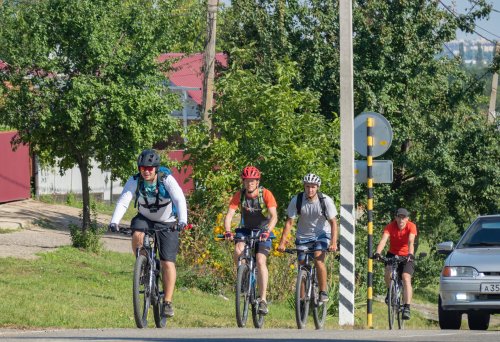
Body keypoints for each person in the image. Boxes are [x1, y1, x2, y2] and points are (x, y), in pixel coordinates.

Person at [108, 149, 187, 318]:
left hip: (167, 221)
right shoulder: (134, 180)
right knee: (137, 233)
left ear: (156, 168)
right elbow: (124, 200)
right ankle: (143, 265)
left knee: (167, 262)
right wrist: (114, 221)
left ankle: (167, 302)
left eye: (150, 168)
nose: (147, 171)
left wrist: (182, 221)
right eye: (143, 167)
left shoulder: (166, 180)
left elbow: (179, 198)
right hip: (145, 217)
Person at [223, 166, 278, 315]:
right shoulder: (239, 195)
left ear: (257, 181)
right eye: (247, 181)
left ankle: (263, 300)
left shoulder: (266, 194)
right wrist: (227, 231)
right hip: (246, 229)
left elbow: (274, 216)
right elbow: (229, 215)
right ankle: (244, 276)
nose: (249, 184)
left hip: (263, 230)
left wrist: (267, 231)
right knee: (238, 250)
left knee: (260, 260)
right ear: (243, 182)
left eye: (252, 181)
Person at [277, 173, 338, 303]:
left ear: (317, 187)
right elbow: (289, 222)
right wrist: (282, 243)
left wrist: (333, 243)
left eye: (313, 187)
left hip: (322, 234)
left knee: (318, 258)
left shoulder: (325, 200)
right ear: (304, 186)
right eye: (307, 186)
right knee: (302, 265)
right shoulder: (297, 199)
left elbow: (333, 222)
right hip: (303, 236)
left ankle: (323, 291)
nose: (310, 189)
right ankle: (302, 300)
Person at [373, 208, 418, 320]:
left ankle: (407, 307)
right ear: (396, 217)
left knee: (406, 277)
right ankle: (390, 291)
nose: (401, 220)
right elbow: (383, 240)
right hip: (392, 254)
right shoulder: (390, 226)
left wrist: (410, 254)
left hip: (407, 255)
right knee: (388, 270)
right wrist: (378, 253)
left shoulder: (411, 226)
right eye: (399, 217)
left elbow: (411, 241)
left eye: (404, 217)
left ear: (407, 219)